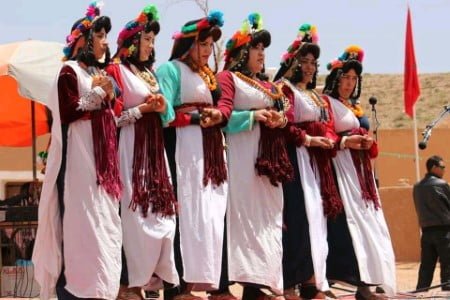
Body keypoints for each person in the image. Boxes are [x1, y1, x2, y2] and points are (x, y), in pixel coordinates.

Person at [33, 2, 123, 299]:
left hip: (102, 169)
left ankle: (100, 289)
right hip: (78, 165)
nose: (106, 42)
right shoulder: (68, 72)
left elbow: (112, 119)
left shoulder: (101, 73)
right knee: (81, 227)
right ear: (84, 40)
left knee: (103, 227)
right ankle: (73, 291)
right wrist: (98, 92)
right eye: (100, 36)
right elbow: (69, 110)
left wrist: (134, 111)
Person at [106, 5, 179, 299]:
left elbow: (169, 116)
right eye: (147, 40)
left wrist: (162, 108)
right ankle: (128, 283)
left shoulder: (149, 73)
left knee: (162, 215)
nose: (151, 46)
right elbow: (113, 118)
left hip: (154, 150)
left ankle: (151, 278)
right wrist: (142, 109)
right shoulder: (115, 71)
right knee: (134, 215)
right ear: (132, 43)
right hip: (130, 148)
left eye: (153, 41)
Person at [156, 11, 230, 300]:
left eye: (210, 45)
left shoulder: (208, 76)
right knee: (183, 212)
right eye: (202, 44)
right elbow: (165, 116)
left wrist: (214, 116)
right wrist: (197, 118)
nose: (207, 51)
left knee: (209, 215)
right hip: (182, 150)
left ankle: (204, 282)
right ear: (188, 44)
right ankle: (177, 289)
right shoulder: (170, 70)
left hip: (209, 151)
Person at [217, 13, 291, 299]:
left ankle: (264, 281)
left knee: (269, 216)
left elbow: (288, 112)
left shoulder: (271, 86)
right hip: (242, 155)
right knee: (244, 214)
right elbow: (223, 115)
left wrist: (279, 120)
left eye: (263, 50)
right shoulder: (228, 78)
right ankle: (248, 282)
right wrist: (253, 116)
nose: (261, 54)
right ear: (241, 52)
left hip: (270, 161)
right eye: (256, 49)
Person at [323, 46, 396, 299]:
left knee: (367, 226)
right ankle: (325, 283)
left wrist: (366, 141)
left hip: (360, 174)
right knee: (342, 226)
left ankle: (366, 287)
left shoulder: (355, 107)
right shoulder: (326, 103)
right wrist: (346, 140)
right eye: (345, 77)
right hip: (338, 172)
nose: (349, 83)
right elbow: (325, 133)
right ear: (335, 78)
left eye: (354, 79)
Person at [273, 24, 337, 300]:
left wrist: (330, 139)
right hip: (294, 159)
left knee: (316, 219)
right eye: (305, 61)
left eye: (313, 62)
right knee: (296, 218)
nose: (310, 67)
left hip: (315, 163)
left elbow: (328, 124)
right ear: (293, 63)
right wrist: (309, 140)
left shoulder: (314, 95)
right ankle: (289, 282)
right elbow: (284, 125)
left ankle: (312, 280)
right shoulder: (284, 90)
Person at [413, 155, 450, 291]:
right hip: (443, 230)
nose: (444, 170)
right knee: (447, 265)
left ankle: (421, 291)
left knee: (426, 266)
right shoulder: (441, 184)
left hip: (426, 231)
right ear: (434, 168)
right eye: (442, 167)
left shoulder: (417, 187)